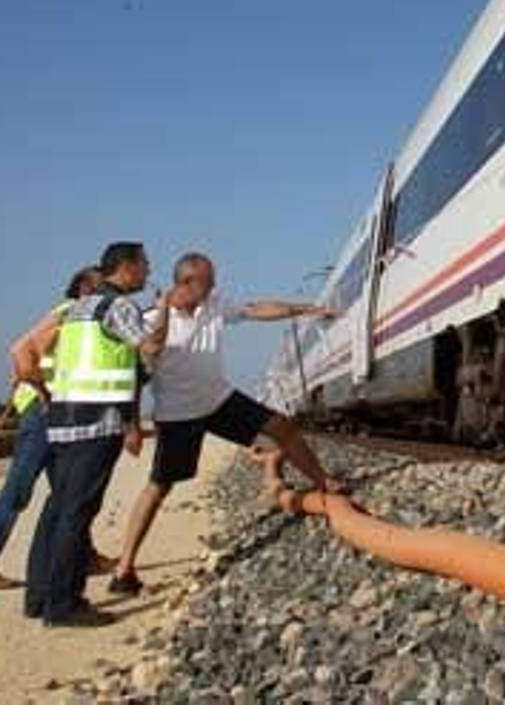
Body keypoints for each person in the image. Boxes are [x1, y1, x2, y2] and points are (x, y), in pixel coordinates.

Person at [109, 251, 341, 596]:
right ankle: (124, 569)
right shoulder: (150, 318)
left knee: (283, 428)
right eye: (209, 280)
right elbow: (134, 373)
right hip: (178, 415)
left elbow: (256, 310)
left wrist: (305, 309)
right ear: (188, 282)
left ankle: (325, 483)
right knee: (160, 487)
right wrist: (131, 425)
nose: (216, 285)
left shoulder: (213, 304)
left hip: (219, 401)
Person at [24, 242, 171, 626]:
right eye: (145, 265)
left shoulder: (78, 309)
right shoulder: (118, 306)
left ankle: (38, 597)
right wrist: (165, 311)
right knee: (77, 513)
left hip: (64, 419)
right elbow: (151, 346)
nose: (148, 272)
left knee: (57, 509)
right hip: (97, 421)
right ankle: (63, 604)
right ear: (126, 267)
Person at [0, 267, 118, 590]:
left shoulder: (79, 318)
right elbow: (21, 351)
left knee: (70, 491)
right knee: (19, 490)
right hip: (43, 413)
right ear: (86, 288)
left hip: (57, 411)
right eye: (103, 285)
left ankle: (82, 555)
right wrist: (46, 395)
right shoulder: (66, 314)